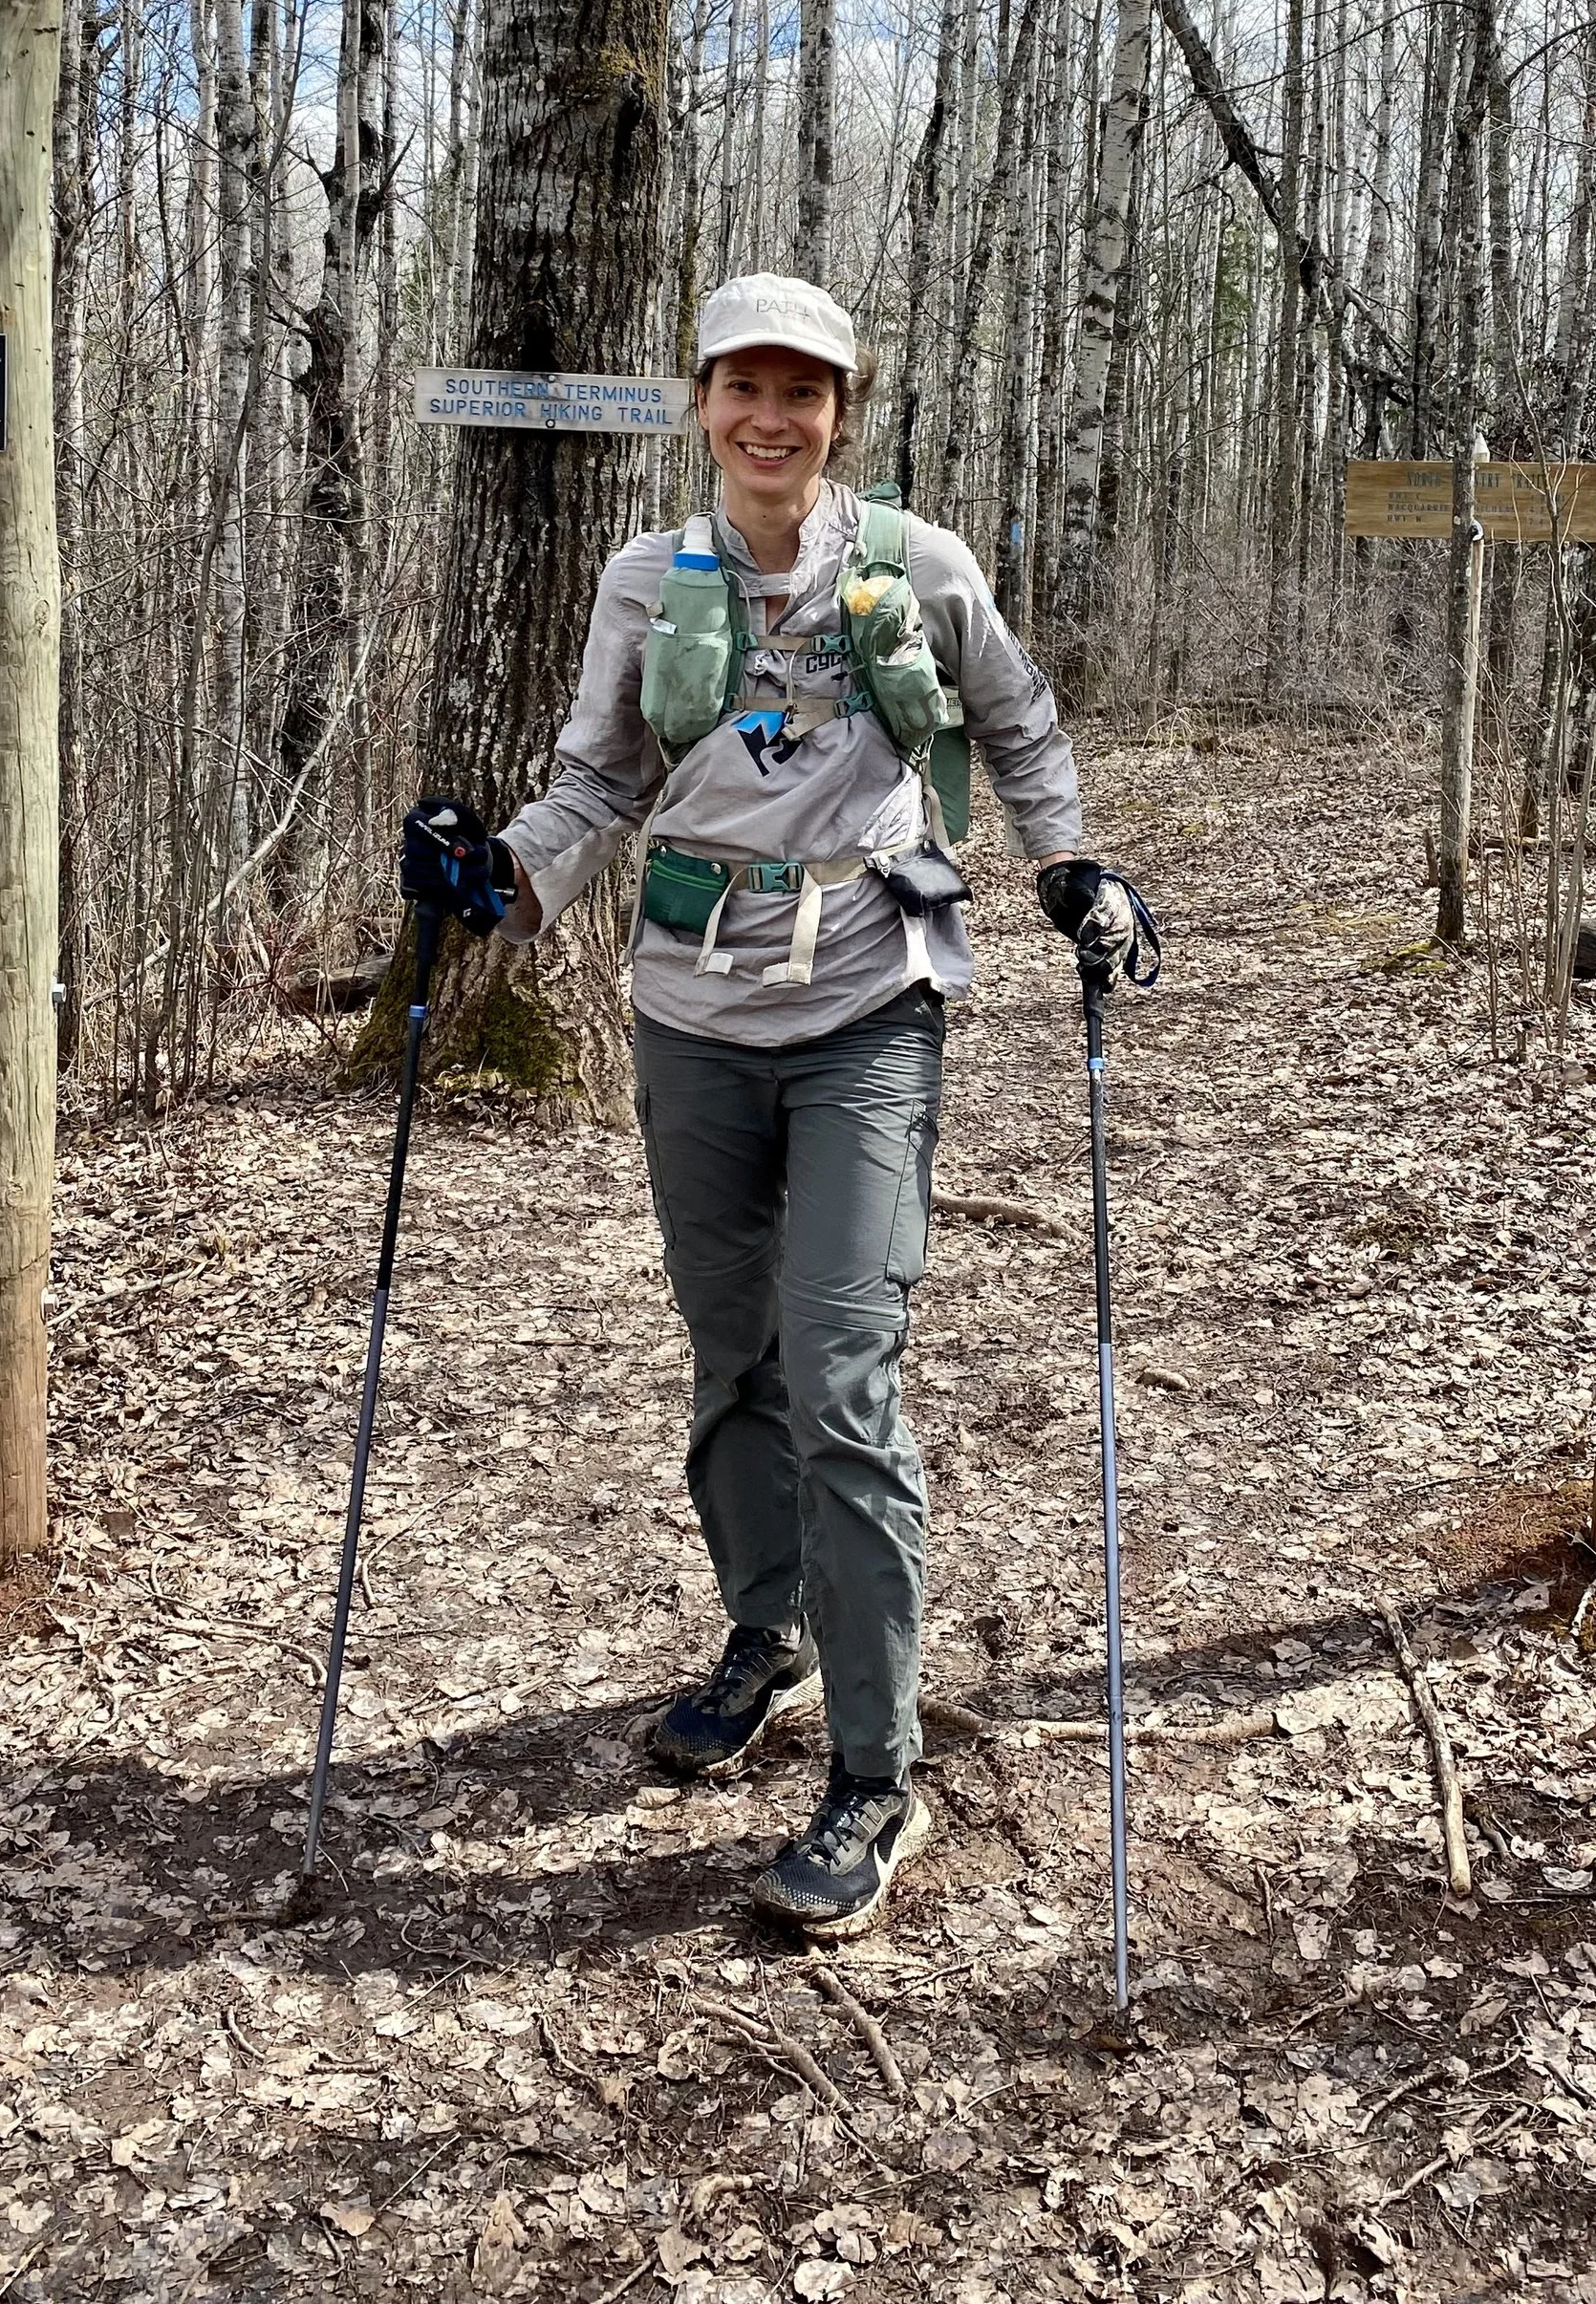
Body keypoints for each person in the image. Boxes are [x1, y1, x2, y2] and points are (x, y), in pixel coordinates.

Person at [400, 271, 1134, 1937]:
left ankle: (876, 1777)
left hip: (873, 1002)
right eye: (744, 386)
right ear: (703, 400)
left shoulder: (920, 570)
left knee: (843, 1376)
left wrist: (1075, 872)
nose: (771, 418)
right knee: (732, 1355)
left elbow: (1020, 734)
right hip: (692, 1012)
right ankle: (765, 1624)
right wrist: (494, 877)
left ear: (841, 415)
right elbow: (596, 781)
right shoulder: (646, 583)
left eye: (803, 392)